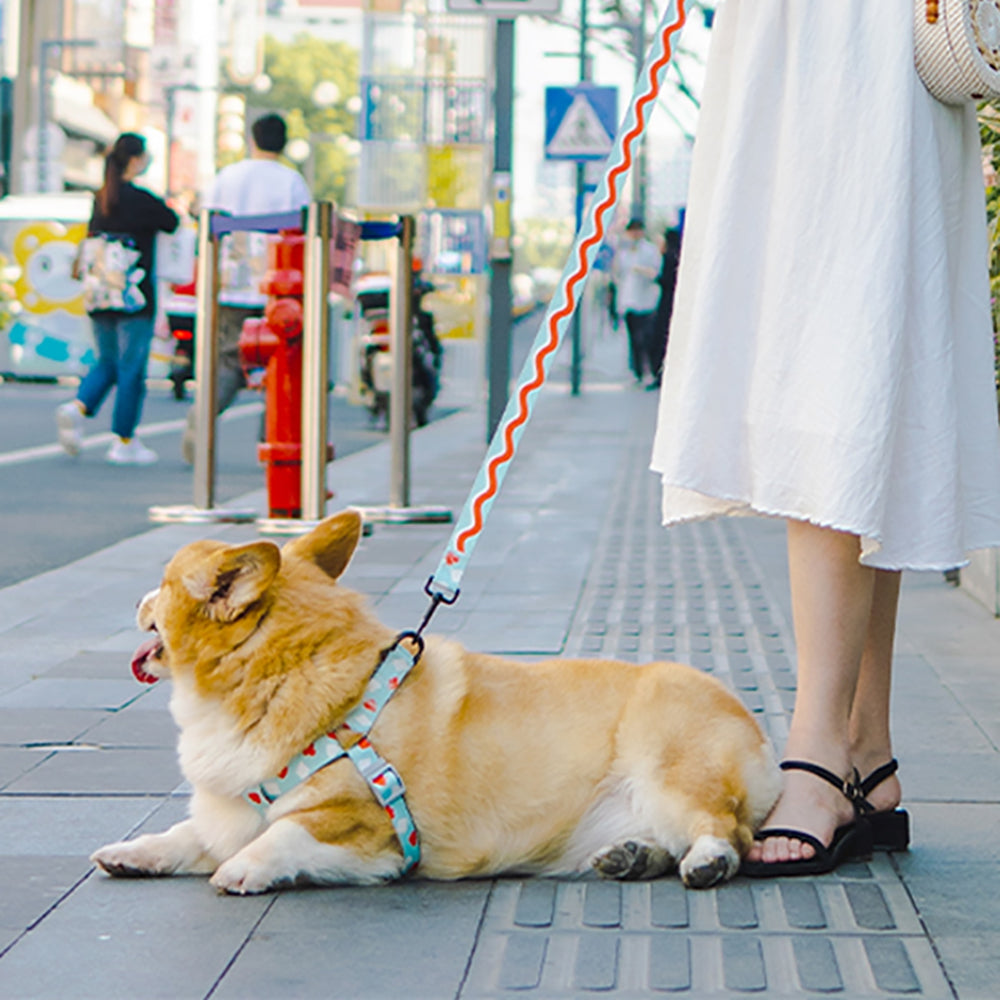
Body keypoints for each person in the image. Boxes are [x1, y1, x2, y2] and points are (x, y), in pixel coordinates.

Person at [650, 2, 1000, 877]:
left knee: (836, 368)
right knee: (860, 368)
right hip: (817, 44)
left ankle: (816, 755)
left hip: (854, 47)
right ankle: (862, 750)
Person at [181, 112, 310, 464]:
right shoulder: (291, 181)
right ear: (283, 143)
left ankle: (204, 414)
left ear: (252, 139)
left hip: (231, 284)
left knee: (228, 360)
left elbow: (205, 222)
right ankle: (272, 440)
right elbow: (304, 230)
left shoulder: (227, 176)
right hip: (278, 289)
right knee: (281, 362)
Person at [56, 132, 179, 464]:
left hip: (100, 295)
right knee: (131, 367)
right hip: (134, 297)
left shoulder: (102, 197)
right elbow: (173, 222)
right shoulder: (142, 200)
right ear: (136, 160)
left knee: (107, 361)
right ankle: (124, 439)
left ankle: (78, 406)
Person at [612, 218, 662, 385]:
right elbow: (618, 274)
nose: (634, 234)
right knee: (633, 339)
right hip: (628, 301)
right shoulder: (624, 252)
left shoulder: (650, 250)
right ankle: (636, 372)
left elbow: (656, 272)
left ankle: (649, 372)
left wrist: (641, 270)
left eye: (637, 230)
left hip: (647, 301)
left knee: (646, 338)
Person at [647, 225, 682, 391]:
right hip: (674, 304)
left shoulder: (668, 258)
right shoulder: (678, 256)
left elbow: (666, 280)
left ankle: (659, 374)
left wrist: (655, 277)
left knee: (659, 338)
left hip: (666, 305)